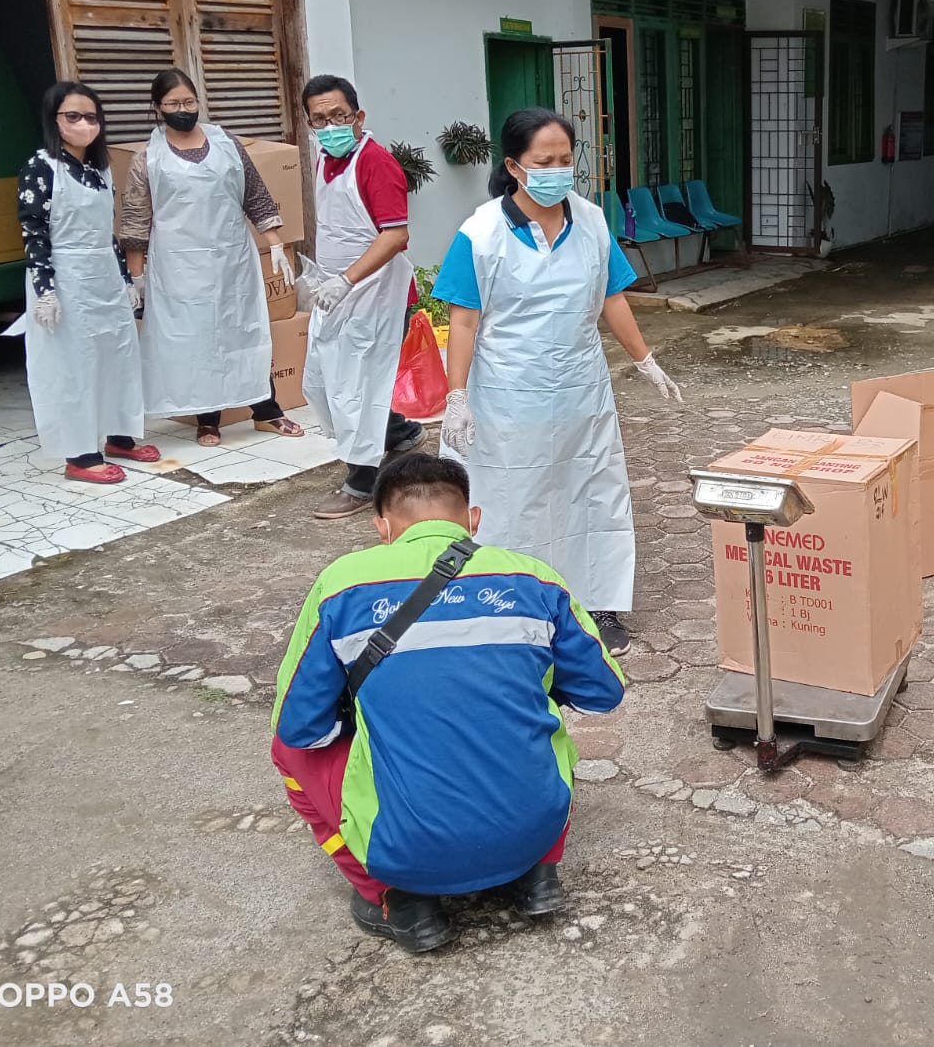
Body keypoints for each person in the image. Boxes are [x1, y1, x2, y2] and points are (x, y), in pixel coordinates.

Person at [271, 453, 627, 953]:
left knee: (286, 751)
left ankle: (398, 901)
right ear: (472, 519)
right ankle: (538, 876)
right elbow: (603, 694)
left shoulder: (342, 585)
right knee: (535, 722)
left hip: (405, 852)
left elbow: (301, 729)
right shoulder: (534, 578)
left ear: (382, 527)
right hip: (531, 829)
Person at [432, 108, 684, 657]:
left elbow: (611, 296)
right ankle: (504, 601)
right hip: (506, 393)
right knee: (512, 496)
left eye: (566, 160)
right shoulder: (480, 233)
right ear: (514, 166)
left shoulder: (591, 221)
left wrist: (645, 360)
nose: (556, 171)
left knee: (592, 491)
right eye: (543, 162)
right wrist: (455, 395)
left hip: (579, 389)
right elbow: (465, 321)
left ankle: (597, 603)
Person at [119, 69, 304, 445]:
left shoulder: (226, 144)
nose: (183, 110)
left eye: (189, 102)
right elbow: (136, 220)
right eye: (173, 104)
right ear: (157, 107)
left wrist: (276, 245)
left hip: (232, 261)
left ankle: (266, 411)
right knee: (196, 341)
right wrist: (136, 279)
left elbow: (255, 194)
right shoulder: (148, 158)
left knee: (245, 332)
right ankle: (208, 419)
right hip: (178, 268)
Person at [12, 81, 158, 483]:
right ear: (53, 120)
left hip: (104, 276)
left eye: (91, 117)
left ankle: (120, 435)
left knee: (118, 354)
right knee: (75, 365)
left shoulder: (99, 168)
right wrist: (45, 290)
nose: (84, 124)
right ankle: (80, 454)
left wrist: (127, 280)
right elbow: (34, 232)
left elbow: (106, 230)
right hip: (65, 278)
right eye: (72, 116)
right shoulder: (41, 168)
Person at [299, 75, 424, 519]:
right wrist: (323, 278)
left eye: (339, 116)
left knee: (354, 388)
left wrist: (346, 279)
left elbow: (395, 235)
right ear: (310, 124)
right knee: (321, 382)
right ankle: (400, 432)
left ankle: (362, 481)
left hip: (374, 296)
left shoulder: (376, 163)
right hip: (338, 293)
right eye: (320, 119)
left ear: (358, 116)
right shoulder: (325, 161)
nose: (330, 125)